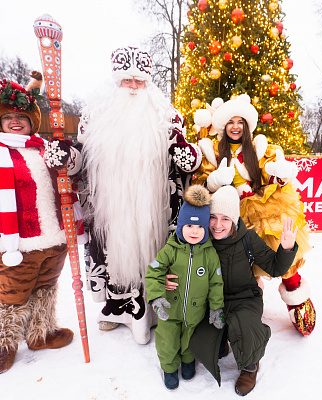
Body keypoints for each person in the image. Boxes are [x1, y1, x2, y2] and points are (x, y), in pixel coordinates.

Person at [77, 46, 202, 344]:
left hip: (152, 205)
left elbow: (184, 153)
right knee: (113, 251)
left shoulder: (166, 116)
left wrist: (189, 157)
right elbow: (79, 157)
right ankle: (117, 308)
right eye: (127, 81)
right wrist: (67, 157)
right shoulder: (94, 117)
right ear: (116, 82)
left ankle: (153, 309)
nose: (133, 87)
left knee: (153, 251)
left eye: (139, 81)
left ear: (148, 82)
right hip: (111, 205)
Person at [193, 94, 315, 336]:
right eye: (231, 122)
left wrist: (276, 173)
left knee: (279, 242)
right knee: (241, 266)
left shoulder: (260, 147)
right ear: (223, 126)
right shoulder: (213, 149)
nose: (236, 126)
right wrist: (215, 180)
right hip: (228, 210)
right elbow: (200, 183)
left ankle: (297, 299)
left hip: (259, 205)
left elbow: (271, 172)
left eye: (240, 121)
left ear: (247, 125)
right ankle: (248, 309)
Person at [166, 185, 298, 396]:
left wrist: (287, 248)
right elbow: (176, 256)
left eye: (225, 219)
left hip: (244, 298)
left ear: (235, 219)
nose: (218, 225)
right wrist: (165, 275)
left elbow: (275, 268)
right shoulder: (201, 238)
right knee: (198, 339)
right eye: (213, 217)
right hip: (212, 301)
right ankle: (223, 339)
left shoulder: (248, 238)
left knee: (245, 327)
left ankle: (250, 366)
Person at [0, 72, 81, 373]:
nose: (16, 121)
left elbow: (72, 169)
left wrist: (68, 155)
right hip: (18, 242)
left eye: (21, 115)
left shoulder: (43, 147)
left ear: (32, 120)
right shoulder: (1, 152)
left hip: (55, 237)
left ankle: (40, 333)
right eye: (9, 116)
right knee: (11, 293)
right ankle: (4, 344)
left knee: (46, 287)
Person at [145, 185, 224, 391]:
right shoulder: (170, 249)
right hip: (170, 309)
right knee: (168, 340)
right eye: (189, 226)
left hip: (196, 312)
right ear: (180, 226)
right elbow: (153, 272)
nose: (195, 231)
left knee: (190, 339)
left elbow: (216, 283)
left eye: (200, 227)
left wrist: (216, 308)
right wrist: (156, 296)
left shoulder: (210, 254)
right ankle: (169, 368)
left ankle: (188, 361)